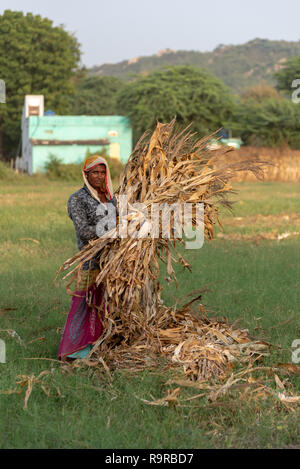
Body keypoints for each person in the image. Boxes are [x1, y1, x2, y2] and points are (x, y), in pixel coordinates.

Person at [58, 155, 117, 361]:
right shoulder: (77, 199)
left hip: (112, 261)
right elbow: (84, 231)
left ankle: (98, 346)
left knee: (106, 305)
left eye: (102, 172)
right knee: (84, 304)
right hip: (91, 260)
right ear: (86, 174)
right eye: (94, 173)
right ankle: (73, 350)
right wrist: (114, 228)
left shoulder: (110, 197)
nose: (99, 177)